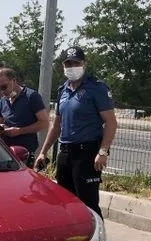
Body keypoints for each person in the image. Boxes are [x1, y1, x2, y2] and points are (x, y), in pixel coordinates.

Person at [34, 46, 117, 218]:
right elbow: (56, 125)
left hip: (86, 154)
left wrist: (102, 152)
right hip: (65, 153)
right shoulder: (62, 90)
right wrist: (43, 152)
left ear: (84, 64)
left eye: (76, 62)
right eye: (68, 63)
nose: (72, 66)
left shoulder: (96, 88)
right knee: (65, 202)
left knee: (88, 204)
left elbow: (111, 122)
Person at [0, 67, 48, 168]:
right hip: (6, 153)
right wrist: (0, 129)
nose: (2, 92)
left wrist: (20, 131)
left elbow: (44, 123)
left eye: (4, 87)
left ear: (14, 80)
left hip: (25, 154)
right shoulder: (3, 101)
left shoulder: (31, 97)